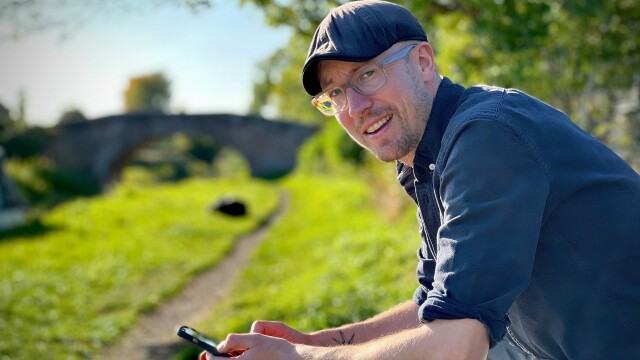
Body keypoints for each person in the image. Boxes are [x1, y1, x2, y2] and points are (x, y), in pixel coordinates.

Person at [203, 1, 640, 359]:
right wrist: (316, 342)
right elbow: (436, 302)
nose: (354, 107)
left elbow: (456, 345)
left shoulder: (487, 136)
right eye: (335, 94)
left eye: (367, 75)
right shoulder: (425, 157)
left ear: (424, 61)